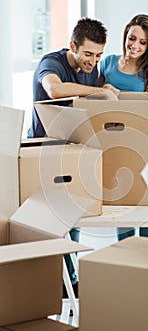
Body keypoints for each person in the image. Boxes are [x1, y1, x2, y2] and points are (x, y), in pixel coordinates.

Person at [27, 17, 110, 300]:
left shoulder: (91, 69)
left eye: (98, 55)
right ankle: (53, 280)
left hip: (72, 149)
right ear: (72, 45)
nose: (93, 61)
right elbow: (55, 90)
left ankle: (69, 279)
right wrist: (100, 91)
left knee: (73, 214)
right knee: (50, 219)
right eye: (88, 54)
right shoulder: (51, 63)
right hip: (42, 151)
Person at [99, 14, 148, 242]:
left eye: (143, 42)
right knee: (124, 206)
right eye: (132, 38)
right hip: (115, 143)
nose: (135, 45)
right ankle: (126, 258)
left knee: (147, 207)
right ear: (125, 35)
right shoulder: (107, 64)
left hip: (146, 143)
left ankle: (146, 261)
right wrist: (105, 89)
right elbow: (95, 106)